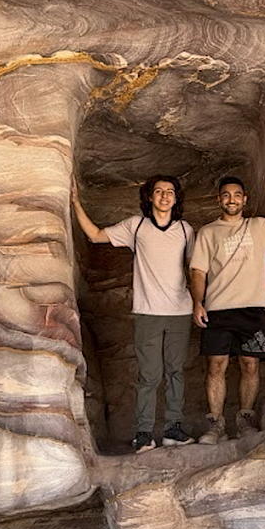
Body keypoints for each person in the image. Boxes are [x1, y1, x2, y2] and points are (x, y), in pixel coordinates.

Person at [73, 175, 195, 452]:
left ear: (176, 199)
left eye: (170, 192)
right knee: (149, 375)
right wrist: (75, 202)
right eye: (159, 191)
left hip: (180, 310)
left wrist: (200, 303)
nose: (165, 196)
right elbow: (95, 235)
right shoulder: (136, 226)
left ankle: (173, 428)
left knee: (176, 371)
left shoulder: (186, 230)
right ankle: (144, 433)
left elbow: (196, 269)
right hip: (147, 311)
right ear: (149, 197)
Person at [188, 173, 265, 443]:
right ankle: (215, 424)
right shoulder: (208, 232)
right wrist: (197, 303)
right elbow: (198, 271)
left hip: (252, 308)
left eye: (237, 195)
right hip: (218, 308)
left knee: (250, 364)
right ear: (219, 200)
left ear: (245, 199)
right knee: (216, 365)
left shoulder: (258, 227)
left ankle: (245, 421)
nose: (232, 200)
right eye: (226, 195)